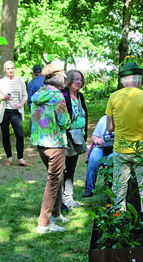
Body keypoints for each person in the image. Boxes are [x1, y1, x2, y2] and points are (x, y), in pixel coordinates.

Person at [106, 62, 143, 213]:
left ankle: (118, 221)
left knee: (119, 189)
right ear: (139, 81)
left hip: (121, 150)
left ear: (123, 81)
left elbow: (110, 127)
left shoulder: (113, 97)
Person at [30, 63, 71, 233]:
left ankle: (56, 213)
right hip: (55, 144)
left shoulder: (37, 94)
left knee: (57, 177)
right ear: (59, 78)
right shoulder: (58, 96)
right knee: (53, 181)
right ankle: (44, 223)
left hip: (41, 144)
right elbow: (65, 121)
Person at [0, 61, 32, 167]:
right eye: (8, 69)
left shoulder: (20, 81)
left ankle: (20, 159)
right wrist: (3, 97)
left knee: (19, 134)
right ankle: (9, 158)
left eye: (12, 68)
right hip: (4, 110)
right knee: (5, 135)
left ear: (14, 69)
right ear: (5, 70)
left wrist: (21, 104)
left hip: (16, 111)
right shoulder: (0, 82)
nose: (10, 70)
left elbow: (25, 95)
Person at [60, 70, 88, 210]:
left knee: (71, 168)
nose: (78, 82)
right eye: (76, 79)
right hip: (66, 137)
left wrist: (84, 135)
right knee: (61, 169)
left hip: (78, 137)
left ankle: (68, 197)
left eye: (80, 79)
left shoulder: (80, 96)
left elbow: (84, 115)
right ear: (69, 80)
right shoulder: (63, 94)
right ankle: (59, 200)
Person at [82, 115, 114, 198]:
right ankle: (89, 189)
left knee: (111, 160)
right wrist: (97, 140)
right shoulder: (104, 119)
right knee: (93, 159)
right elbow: (94, 136)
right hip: (101, 147)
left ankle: (110, 188)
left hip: (115, 149)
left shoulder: (123, 119)